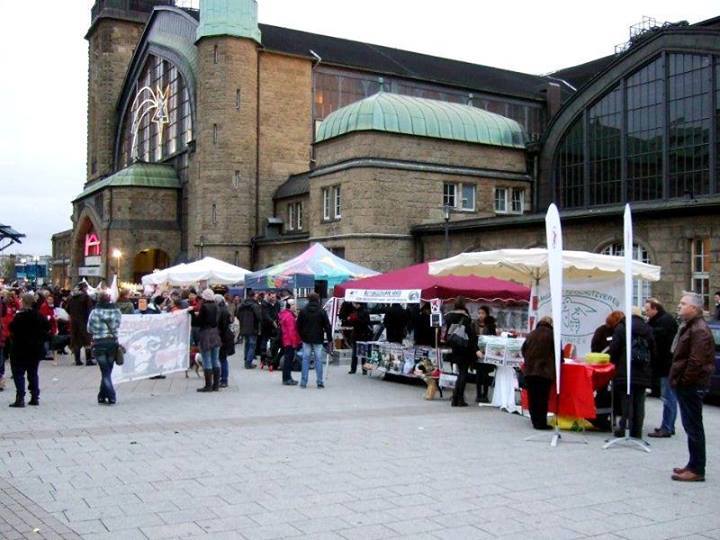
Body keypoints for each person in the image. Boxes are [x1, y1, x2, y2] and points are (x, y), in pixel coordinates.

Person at [669, 292, 716, 482]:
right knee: (690, 426)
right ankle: (692, 464)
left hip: (692, 385)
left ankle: (697, 469)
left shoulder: (699, 330)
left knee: (694, 426)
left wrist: (683, 381)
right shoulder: (691, 326)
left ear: (694, 308)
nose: (679, 306)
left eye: (683, 303)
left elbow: (695, 361)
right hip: (688, 384)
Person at [608, 307, 656, 439]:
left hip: (625, 369)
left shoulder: (622, 327)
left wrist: (615, 363)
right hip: (642, 370)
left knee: (626, 400)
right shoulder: (648, 329)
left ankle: (623, 429)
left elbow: (614, 349)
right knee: (640, 402)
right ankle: (637, 432)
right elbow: (653, 350)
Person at [644, 298, 679, 438]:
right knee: (669, 396)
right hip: (666, 365)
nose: (646, 313)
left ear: (655, 309)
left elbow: (657, 338)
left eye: (647, 310)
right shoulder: (661, 320)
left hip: (667, 365)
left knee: (668, 397)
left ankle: (667, 427)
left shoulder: (664, 321)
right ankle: (669, 425)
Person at [8, 293, 49, 407]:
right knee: (33, 373)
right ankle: (35, 396)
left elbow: (11, 328)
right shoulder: (39, 316)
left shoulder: (19, 316)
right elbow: (47, 328)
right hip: (35, 349)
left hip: (19, 349)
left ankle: (20, 397)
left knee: (18, 373)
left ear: (24, 302)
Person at [86, 291, 122, 405]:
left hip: (99, 343)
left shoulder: (94, 312)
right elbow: (119, 324)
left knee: (105, 371)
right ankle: (102, 395)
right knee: (108, 370)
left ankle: (111, 395)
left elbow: (89, 329)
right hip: (112, 343)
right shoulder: (116, 311)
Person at [521, 316, 555, 430]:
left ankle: (534, 420)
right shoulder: (552, 335)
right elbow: (558, 353)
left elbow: (523, 350)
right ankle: (541, 423)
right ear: (550, 323)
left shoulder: (531, 334)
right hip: (544, 371)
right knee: (542, 398)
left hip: (530, 370)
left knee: (533, 397)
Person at [443, 297, 477, 407]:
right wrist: (475, 348)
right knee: (463, 373)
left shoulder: (448, 316)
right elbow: (471, 335)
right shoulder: (465, 317)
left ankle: (455, 398)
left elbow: (444, 333)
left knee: (459, 373)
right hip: (464, 347)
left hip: (454, 347)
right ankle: (459, 399)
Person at [296, 292, 332, 388]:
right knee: (318, 360)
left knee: (305, 359)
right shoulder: (321, 311)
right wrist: (329, 339)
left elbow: (298, 326)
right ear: (317, 299)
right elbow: (327, 326)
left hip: (306, 338)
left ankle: (304, 382)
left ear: (308, 299)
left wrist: (302, 336)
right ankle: (319, 382)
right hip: (318, 338)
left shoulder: (303, 311)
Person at [196, 289, 222, 392]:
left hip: (206, 333)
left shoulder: (204, 306)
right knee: (215, 359)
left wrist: (195, 315)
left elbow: (199, 321)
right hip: (215, 333)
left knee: (206, 359)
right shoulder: (216, 306)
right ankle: (216, 385)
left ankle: (208, 386)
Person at [66, 283, 94, 366]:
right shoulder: (86, 297)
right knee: (87, 341)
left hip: (74, 322)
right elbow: (89, 310)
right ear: (84, 288)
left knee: (76, 341)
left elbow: (67, 309)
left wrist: (73, 315)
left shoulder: (71, 297)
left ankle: (77, 360)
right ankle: (88, 360)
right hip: (84, 322)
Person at [475, 305, 497, 403]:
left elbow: (494, 338)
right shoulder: (474, 324)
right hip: (477, 352)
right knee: (478, 374)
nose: (480, 315)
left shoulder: (491, 325)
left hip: (487, 353)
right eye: (479, 313)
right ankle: (478, 394)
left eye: (483, 313)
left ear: (487, 314)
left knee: (486, 375)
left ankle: (485, 394)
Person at [278, 299, 301, 385]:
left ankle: (287, 377)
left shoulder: (286, 314)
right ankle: (287, 379)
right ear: (290, 306)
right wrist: (295, 343)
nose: (296, 306)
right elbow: (291, 332)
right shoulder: (289, 317)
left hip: (286, 341)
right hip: (289, 342)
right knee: (288, 360)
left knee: (288, 359)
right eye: (294, 305)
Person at [237, 291, 262, 369]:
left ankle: (246, 361)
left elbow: (237, 315)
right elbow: (259, 317)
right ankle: (248, 362)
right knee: (252, 345)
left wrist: (242, 321)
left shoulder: (241, 305)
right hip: (252, 327)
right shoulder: (254, 305)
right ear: (253, 296)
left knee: (247, 344)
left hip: (244, 327)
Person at [215, 294, 235, 388]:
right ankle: (223, 378)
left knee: (222, 359)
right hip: (226, 337)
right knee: (223, 359)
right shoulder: (225, 309)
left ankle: (224, 379)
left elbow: (222, 326)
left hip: (223, 338)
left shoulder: (221, 311)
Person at [347, 302, 372, 374]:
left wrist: (355, 319)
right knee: (358, 353)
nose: (353, 305)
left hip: (361, 334)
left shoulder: (364, 312)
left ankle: (358, 369)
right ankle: (362, 370)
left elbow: (365, 322)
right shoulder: (358, 311)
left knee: (360, 353)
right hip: (359, 335)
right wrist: (351, 319)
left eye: (354, 303)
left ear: (358, 304)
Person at [259, 292, 280, 369]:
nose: (273, 299)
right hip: (266, 326)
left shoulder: (277, 304)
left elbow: (278, 314)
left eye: (274, 297)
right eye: (271, 297)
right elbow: (265, 315)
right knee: (264, 342)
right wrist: (272, 321)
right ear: (269, 297)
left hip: (274, 327)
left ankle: (272, 359)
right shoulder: (265, 304)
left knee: (274, 343)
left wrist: (278, 321)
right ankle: (262, 359)